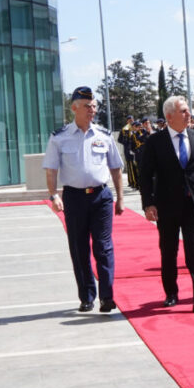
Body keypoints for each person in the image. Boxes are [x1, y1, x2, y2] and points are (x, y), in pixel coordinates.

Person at [42, 86, 125, 313]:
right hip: (74, 198)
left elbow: (116, 168)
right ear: (74, 108)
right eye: (87, 106)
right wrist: (53, 195)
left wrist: (120, 197)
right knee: (79, 248)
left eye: (94, 106)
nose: (92, 110)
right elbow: (50, 169)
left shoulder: (104, 135)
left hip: (101, 196)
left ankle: (107, 297)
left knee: (104, 246)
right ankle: (87, 296)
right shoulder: (59, 137)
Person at [139, 96, 194, 314]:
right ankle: (171, 293)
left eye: (188, 110)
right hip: (167, 206)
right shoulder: (155, 142)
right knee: (169, 251)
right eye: (183, 111)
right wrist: (148, 204)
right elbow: (145, 176)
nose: (188, 114)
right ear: (169, 116)